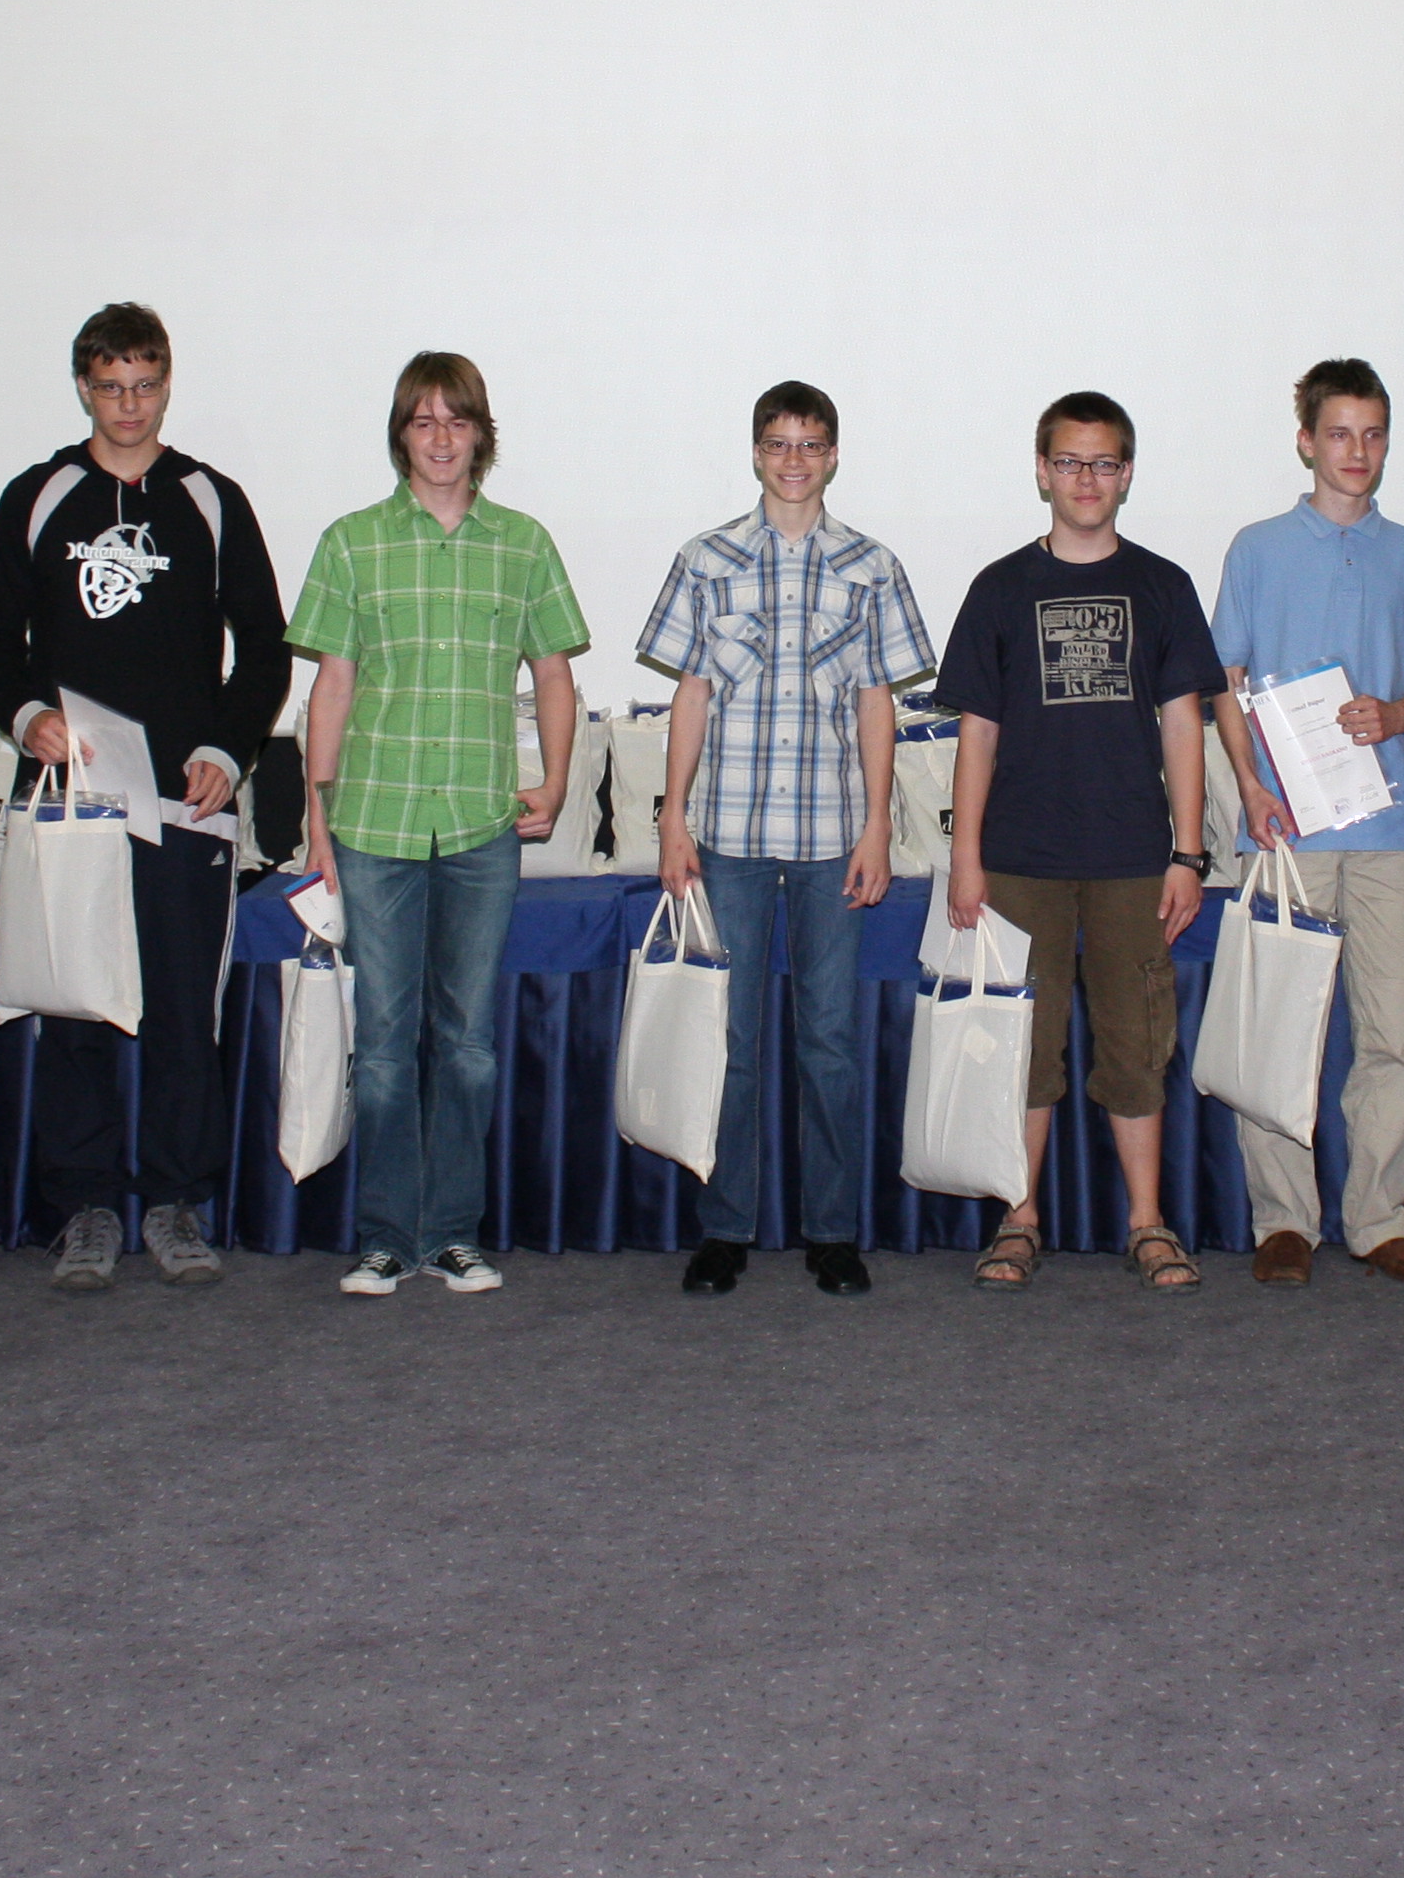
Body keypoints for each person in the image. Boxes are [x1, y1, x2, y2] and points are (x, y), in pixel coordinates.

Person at [0, 302, 292, 1291]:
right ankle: (86, 1208)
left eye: (145, 386)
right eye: (111, 387)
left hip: (185, 805)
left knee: (185, 1013)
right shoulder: (38, 496)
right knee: (77, 1009)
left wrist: (227, 750)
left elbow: (265, 647)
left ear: (166, 384)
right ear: (84, 388)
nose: (129, 405)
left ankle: (178, 1203)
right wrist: (28, 717)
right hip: (72, 803)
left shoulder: (209, 499)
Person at [288, 352, 590, 1296]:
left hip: (477, 825)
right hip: (372, 824)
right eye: (423, 422)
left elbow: (553, 673)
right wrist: (318, 820)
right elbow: (331, 687)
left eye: (457, 420)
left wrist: (555, 782)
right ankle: (385, 1237)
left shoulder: (523, 543)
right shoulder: (351, 542)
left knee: (466, 1044)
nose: (441, 438)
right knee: (383, 1047)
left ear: (481, 435)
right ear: (401, 436)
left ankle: (454, 1233)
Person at [636, 381, 933, 1298]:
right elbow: (690, 694)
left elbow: (878, 702)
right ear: (756, 452)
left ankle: (831, 1232)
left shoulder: (871, 565)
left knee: (830, 1040)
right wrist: (672, 818)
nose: (793, 460)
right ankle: (725, 1227)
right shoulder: (706, 558)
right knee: (727, 1036)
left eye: (810, 444)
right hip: (725, 832)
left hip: (832, 832)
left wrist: (879, 824)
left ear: (833, 455)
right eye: (777, 443)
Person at [935, 390, 1225, 1294]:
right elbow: (977, 734)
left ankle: (1147, 1223)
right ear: (1042, 471)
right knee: (1023, 1047)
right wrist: (966, 857)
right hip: (1020, 860)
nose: (1086, 479)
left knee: (1138, 1045)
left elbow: (1184, 727)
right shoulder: (999, 588)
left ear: (1126, 474)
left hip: (1134, 860)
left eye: (1103, 463)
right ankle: (1019, 1221)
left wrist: (1188, 854)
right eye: (1070, 462)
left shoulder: (1163, 586)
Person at [1206, 359, 1404, 1287]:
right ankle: (1284, 1221)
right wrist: (1249, 786)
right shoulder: (1257, 549)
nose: (1358, 451)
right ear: (1306, 441)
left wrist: (1399, 713)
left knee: (1390, 1037)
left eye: (1373, 434)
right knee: (1280, 1031)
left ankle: (1381, 1219)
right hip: (1286, 830)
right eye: (1340, 433)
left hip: (1387, 829)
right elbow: (1225, 680)